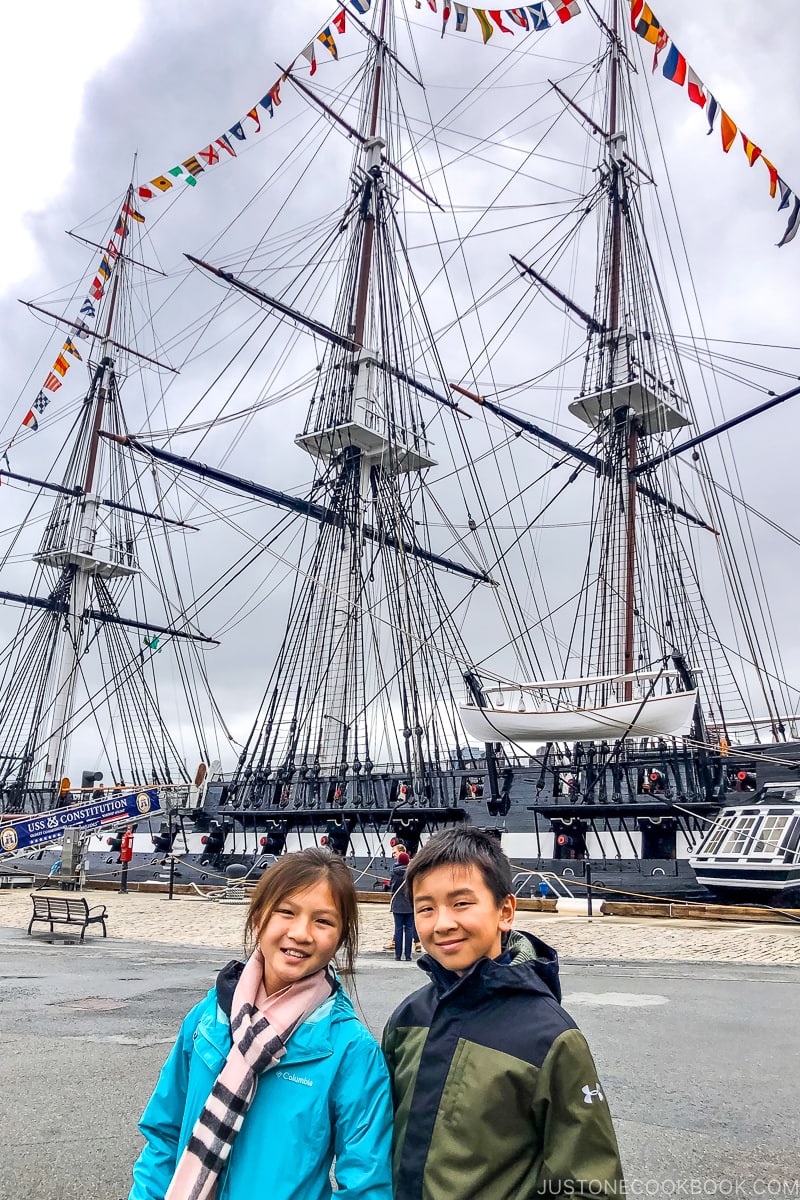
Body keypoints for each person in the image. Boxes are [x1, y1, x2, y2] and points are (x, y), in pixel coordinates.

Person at [129, 848, 393, 1200]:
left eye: (323, 921)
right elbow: (164, 1135)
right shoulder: (208, 1019)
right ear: (258, 919)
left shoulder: (351, 1050)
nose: (301, 933)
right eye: (286, 912)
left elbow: (366, 1185)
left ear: (341, 938)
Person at [382, 828, 624, 1199]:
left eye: (461, 903)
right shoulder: (409, 1017)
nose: (443, 923)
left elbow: (590, 1185)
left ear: (505, 911)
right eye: (426, 908)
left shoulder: (550, 1038)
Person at [389, 851, 414, 961]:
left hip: (397, 905)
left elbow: (392, 888)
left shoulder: (394, 873)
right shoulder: (412, 873)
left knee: (398, 929)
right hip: (410, 905)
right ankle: (408, 955)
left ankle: (397, 955)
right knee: (409, 930)